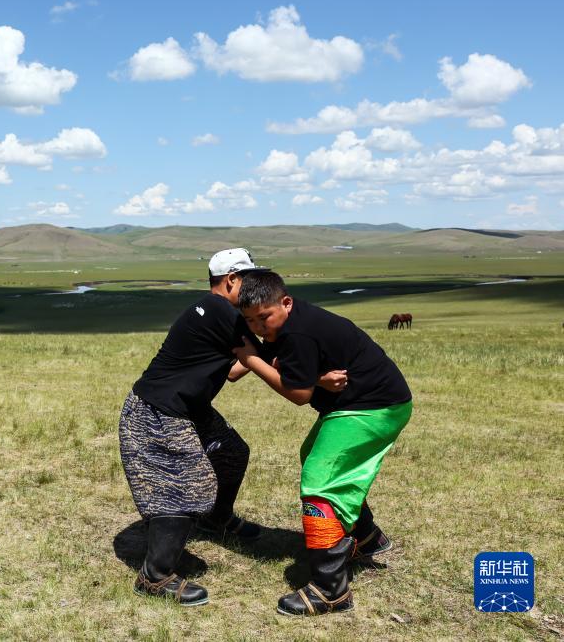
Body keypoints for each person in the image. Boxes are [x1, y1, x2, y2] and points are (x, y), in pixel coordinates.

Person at [119, 248, 345, 606]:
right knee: (185, 488)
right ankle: (154, 576)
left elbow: (237, 369)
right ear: (230, 280)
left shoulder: (215, 313)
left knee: (232, 452)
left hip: (189, 408)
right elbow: (267, 354)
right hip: (157, 410)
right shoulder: (222, 311)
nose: (255, 289)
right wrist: (316, 377)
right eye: (249, 280)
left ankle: (216, 520)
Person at [232, 271, 412, 616]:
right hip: (369, 402)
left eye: (264, 317)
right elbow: (246, 368)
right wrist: (252, 357)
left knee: (320, 481)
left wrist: (251, 359)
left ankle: (331, 590)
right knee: (313, 455)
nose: (258, 326)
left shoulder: (297, 333)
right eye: (250, 320)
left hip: (373, 407)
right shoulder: (284, 325)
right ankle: (366, 537)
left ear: (286, 303)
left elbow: (298, 394)